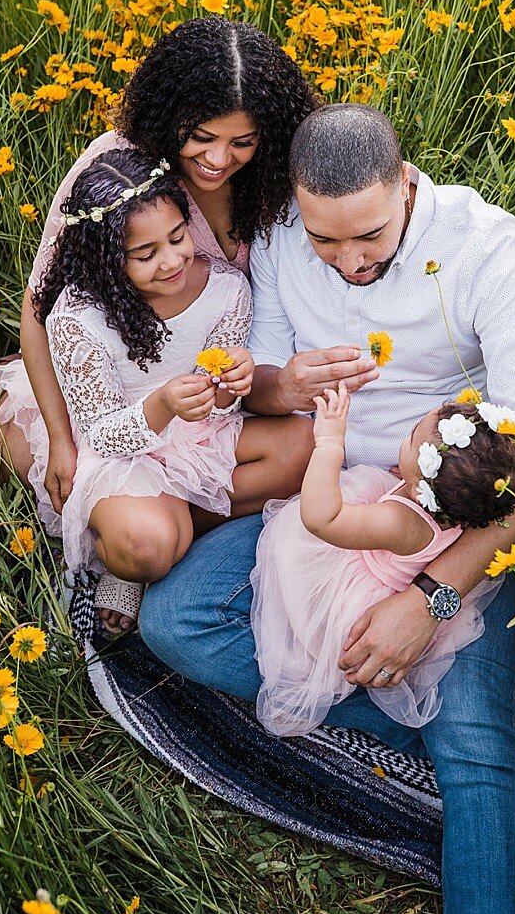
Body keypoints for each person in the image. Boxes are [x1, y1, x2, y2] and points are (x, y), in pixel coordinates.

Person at [140, 103, 515, 914]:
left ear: (406, 185)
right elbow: (258, 379)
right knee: (176, 621)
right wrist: (282, 382)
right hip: (330, 504)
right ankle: (417, 725)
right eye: (324, 239)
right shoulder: (277, 236)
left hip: (450, 519)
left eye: (368, 235)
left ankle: (459, 746)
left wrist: (428, 600)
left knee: (479, 753)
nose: (348, 260)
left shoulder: (487, 244)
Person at [0, 17, 320, 551]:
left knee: (298, 454)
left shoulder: (278, 176)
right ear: (170, 116)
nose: (218, 160)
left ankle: (167, 529)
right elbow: (41, 308)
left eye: (243, 142)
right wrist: (58, 437)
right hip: (109, 394)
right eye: (202, 137)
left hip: (204, 400)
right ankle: (146, 533)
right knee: (51, 463)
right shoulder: (117, 169)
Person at [27, 147, 312, 625]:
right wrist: (161, 405)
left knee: (302, 443)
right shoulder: (78, 317)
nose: (172, 261)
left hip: (200, 440)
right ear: (107, 261)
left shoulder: (224, 288)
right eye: (145, 254)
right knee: (148, 547)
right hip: (124, 450)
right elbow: (101, 435)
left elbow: (219, 402)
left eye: (178, 237)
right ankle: (129, 561)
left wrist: (231, 384)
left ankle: (177, 521)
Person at [252, 385, 515, 738]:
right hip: (407, 540)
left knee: (288, 593)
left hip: (355, 598)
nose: (406, 434)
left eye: (411, 437)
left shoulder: (401, 522)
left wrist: (329, 444)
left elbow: (323, 519)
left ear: (421, 486)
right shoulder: (456, 508)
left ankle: (368, 718)